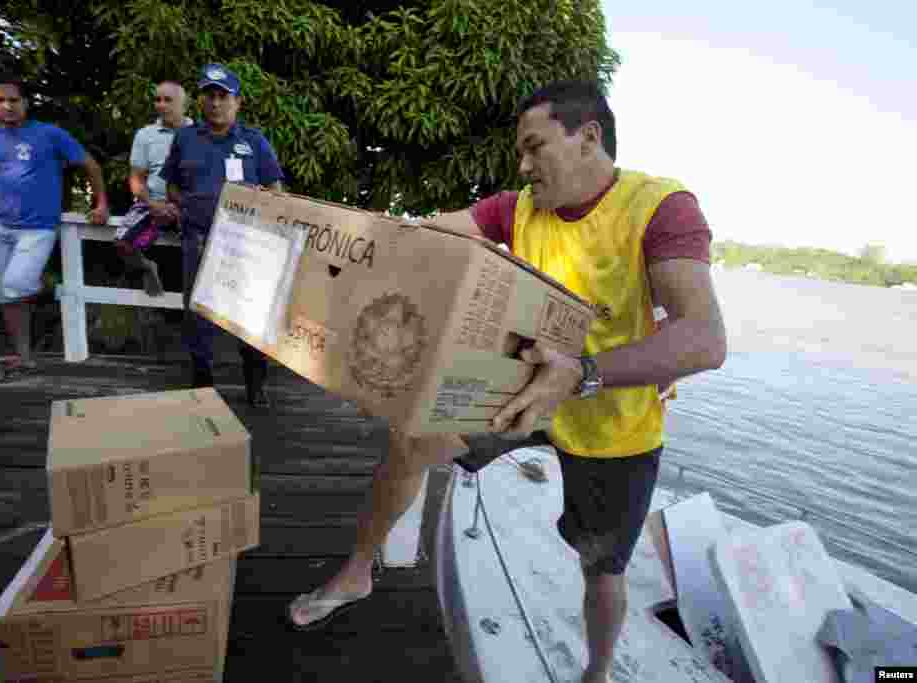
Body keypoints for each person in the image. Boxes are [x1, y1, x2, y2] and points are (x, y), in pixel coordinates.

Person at [287, 80, 727, 683]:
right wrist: (358, 242)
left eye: (534, 147)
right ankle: (359, 569)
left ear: (588, 137)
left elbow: (704, 338)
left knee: (602, 568)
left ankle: (596, 673)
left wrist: (583, 373)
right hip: (517, 388)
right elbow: (427, 234)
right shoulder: (517, 207)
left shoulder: (661, 206)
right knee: (410, 438)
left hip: (611, 415)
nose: (522, 165)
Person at [0, 73, 109, 381]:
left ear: (26, 102)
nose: (7, 106)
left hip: (37, 227)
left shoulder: (50, 134)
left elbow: (90, 164)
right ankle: (24, 357)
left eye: (13, 100)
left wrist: (101, 203)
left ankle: (46, 285)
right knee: (3, 294)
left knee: (16, 284)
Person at [159, 63, 285, 406]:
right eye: (209, 96)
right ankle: (202, 385)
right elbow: (170, 184)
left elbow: (275, 189)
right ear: (201, 101)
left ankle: (255, 386)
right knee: (198, 314)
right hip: (197, 240)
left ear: (237, 102)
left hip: (247, 243)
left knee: (250, 314)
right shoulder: (185, 138)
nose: (215, 103)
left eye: (222, 96)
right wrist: (184, 204)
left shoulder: (254, 141)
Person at [115, 80, 192, 295]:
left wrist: (182, 205)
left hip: (189, 206)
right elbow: (136, 179)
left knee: (208, 250)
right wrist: (154, 204)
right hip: (152, 204)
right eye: (157, 100)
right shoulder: (145, 135)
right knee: (123, 243)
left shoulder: (199, 133)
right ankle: (147, 267)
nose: (161, 105)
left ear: (183, 104)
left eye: (168, 100)